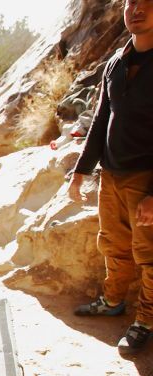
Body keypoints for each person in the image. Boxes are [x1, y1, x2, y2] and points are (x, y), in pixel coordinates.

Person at [69, 0, 153, 355]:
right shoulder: (116, 63)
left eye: (147, 3)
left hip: (145, 177)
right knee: (114, 244)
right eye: (131, 2)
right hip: (111, 174)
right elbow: (100, 120)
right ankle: (113, 300)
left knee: (148, 254)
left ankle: (145, 320)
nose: (137, 9)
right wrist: (80, 172)